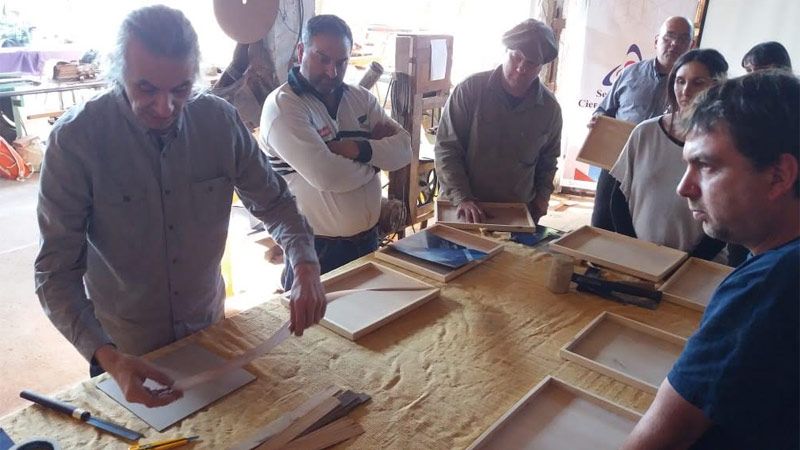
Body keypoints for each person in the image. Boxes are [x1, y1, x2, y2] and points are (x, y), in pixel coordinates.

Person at [34, 5, 327, 408]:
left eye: (181, 89)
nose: (165, 107)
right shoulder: (76, 141)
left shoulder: (219, 123)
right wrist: (108, 358)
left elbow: (276, 203)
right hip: (123, 350)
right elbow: (55, 273)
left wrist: (306, 265)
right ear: (118, 72)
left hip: (209, 333)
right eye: (147, 89)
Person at [623, 70, 799, 449]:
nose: (684, 187)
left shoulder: (770, 284)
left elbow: (657, 441)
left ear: (778, 176)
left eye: (706, 165)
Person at [258, 14, 411, 291]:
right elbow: (328, 177)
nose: (332, 72)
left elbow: (404, 149)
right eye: (323, 59)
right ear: (301, 52)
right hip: (317, 250)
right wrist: (377, 161)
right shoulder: (284, 107)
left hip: (368, 241)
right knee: (315, 320)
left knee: (369, 315)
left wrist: (357, 148)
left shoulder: (361, 99)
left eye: (341, 62)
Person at [434, 18, 562, 224]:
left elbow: (548, 160)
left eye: (531, 63)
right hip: (463, 209)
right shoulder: (469, 91)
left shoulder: (549, 109)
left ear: (541, 67)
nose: (521, 68)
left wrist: (542, 198)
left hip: (516, 213)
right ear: (505, 52)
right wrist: (462, 198)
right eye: (516, 57)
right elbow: (447, 149)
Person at [609, 49, 728, 259]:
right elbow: (619, 197)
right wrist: (633, 249)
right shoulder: (645, 132)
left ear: (718, 87)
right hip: (639, 258)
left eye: (698, 83)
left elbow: (728, 215)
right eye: (680, 81)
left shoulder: (728, 143)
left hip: (697, 264)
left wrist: (686, 263)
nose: (686, 91)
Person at [591, 16, 694, 231]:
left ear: (691, 45)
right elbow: (604, 109)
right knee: (601, 225)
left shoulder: (691, 87)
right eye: (669, 37)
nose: (674, 44)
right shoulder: (630, 73)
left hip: (659, 174)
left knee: (640, 231)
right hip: (615, 163)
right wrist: (597, 119)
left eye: (683, 39)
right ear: (656, 41)